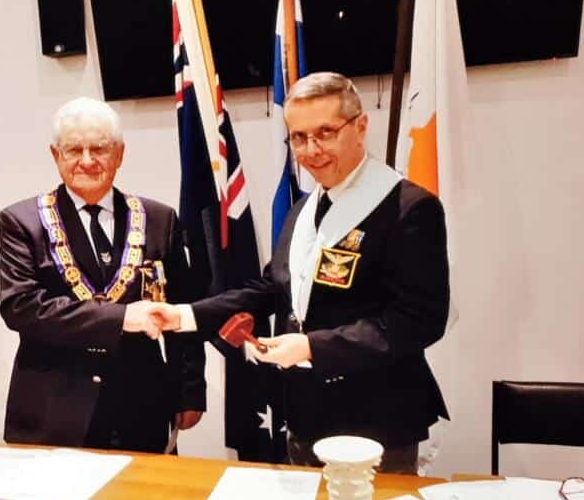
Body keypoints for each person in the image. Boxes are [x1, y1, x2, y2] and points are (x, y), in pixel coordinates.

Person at [151, 72, 450, 473]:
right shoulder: (304, 210)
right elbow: (272, 288)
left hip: (376, 421)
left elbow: (419, 321)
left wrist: (312, 347)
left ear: (360, 127)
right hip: (305, 415)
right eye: (299, 137)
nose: (312, 150)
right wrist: (187, 315)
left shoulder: (407, 208)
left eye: (326, 132)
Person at [0, 97, 206, 453]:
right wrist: (123, 317)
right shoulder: (22, 222)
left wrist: (190, 391)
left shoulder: (159, 219)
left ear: (120, 154)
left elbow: (183, 310)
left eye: (99, 148)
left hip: (140, 404)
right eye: (74, 150)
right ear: (55, 155)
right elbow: (21, 307)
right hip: (53, 404)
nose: (87, 161)